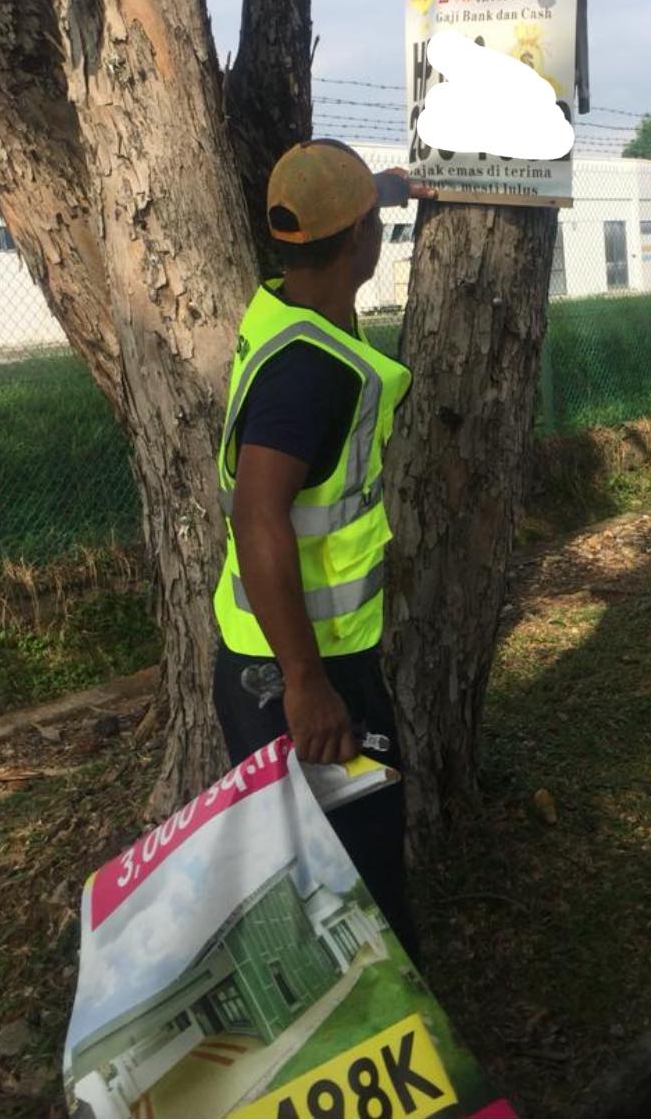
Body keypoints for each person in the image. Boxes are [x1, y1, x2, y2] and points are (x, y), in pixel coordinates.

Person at [211, 138, 433, 966]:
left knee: (323, 863)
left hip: (275, 657)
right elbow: (258, 517)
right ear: (360, 243)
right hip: (297, 673)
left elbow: (343, 211)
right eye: (371, 220)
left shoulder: (280, 306)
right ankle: (394, 1061)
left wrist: (386, 186)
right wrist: (306, 686)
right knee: (358, 872)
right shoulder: (312, 372)